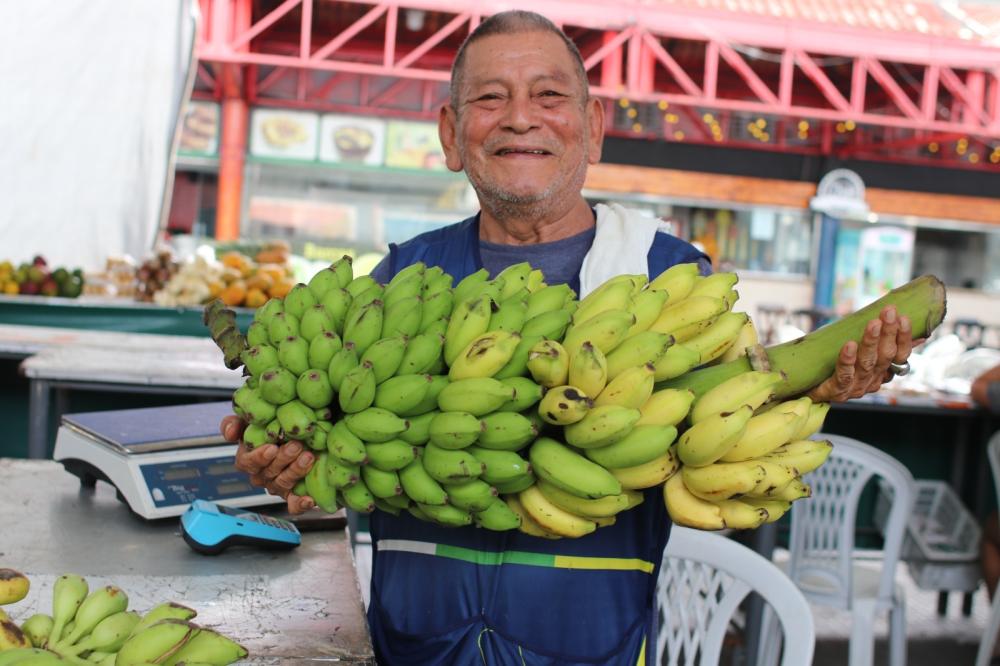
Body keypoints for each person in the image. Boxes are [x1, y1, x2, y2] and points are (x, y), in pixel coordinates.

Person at [220, 11, 916, 664]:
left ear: (592, 124)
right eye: (489, 99)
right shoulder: (404, 278)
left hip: (591, 645)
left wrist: (815, 385)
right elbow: (362, 459)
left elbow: (724, 454)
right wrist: (291, 462)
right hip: (416, 642)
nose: (520, 117)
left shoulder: (668, 279)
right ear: (450, 135)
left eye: (548, 95)